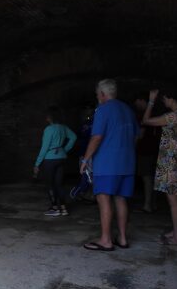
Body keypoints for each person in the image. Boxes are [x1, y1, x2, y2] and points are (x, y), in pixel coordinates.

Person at [80, 79, 139, 251]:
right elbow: (137, 136)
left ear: (102, 94)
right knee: (121, 199)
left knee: (103, 197)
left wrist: (85, 159)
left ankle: (105, 240)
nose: (97, 96)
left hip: (108, 162)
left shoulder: (103, 109)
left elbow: (96, 137)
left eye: (97, 94)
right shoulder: (128, 110)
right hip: (127, 162)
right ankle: (122, 238)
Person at [141, 88, 177, 245]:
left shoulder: (175, 116)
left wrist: (151, 101)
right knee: (173, 201)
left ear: (172, 99)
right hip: (174, 161)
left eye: (165, 99)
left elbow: (145, 121)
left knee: (174, 202)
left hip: (173, 163)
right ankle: (176, 231)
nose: (164, 102)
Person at [33, 106, 77, 217]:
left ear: (50, 117)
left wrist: (37, 164)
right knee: (59, 184)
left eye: (47, 116)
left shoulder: (49, 129)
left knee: (50, 184)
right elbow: (74, 137)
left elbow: (44, 148)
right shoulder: (63, 127)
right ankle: (63, 208)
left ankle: (54, 208)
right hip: (61, 158)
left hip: (50, 159)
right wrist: (64, 149)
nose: (46, 118)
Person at [133, 97, 161, 213]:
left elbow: (140, 135)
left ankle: (147, 205)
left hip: (145, 150)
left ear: (142, 100)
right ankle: (153, 204)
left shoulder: (144, 116)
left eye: (137, 102)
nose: (136, 105)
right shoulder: (155, 114)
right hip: (154, 150)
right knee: (152, 178)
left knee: (147, 178)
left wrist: (132, 147)